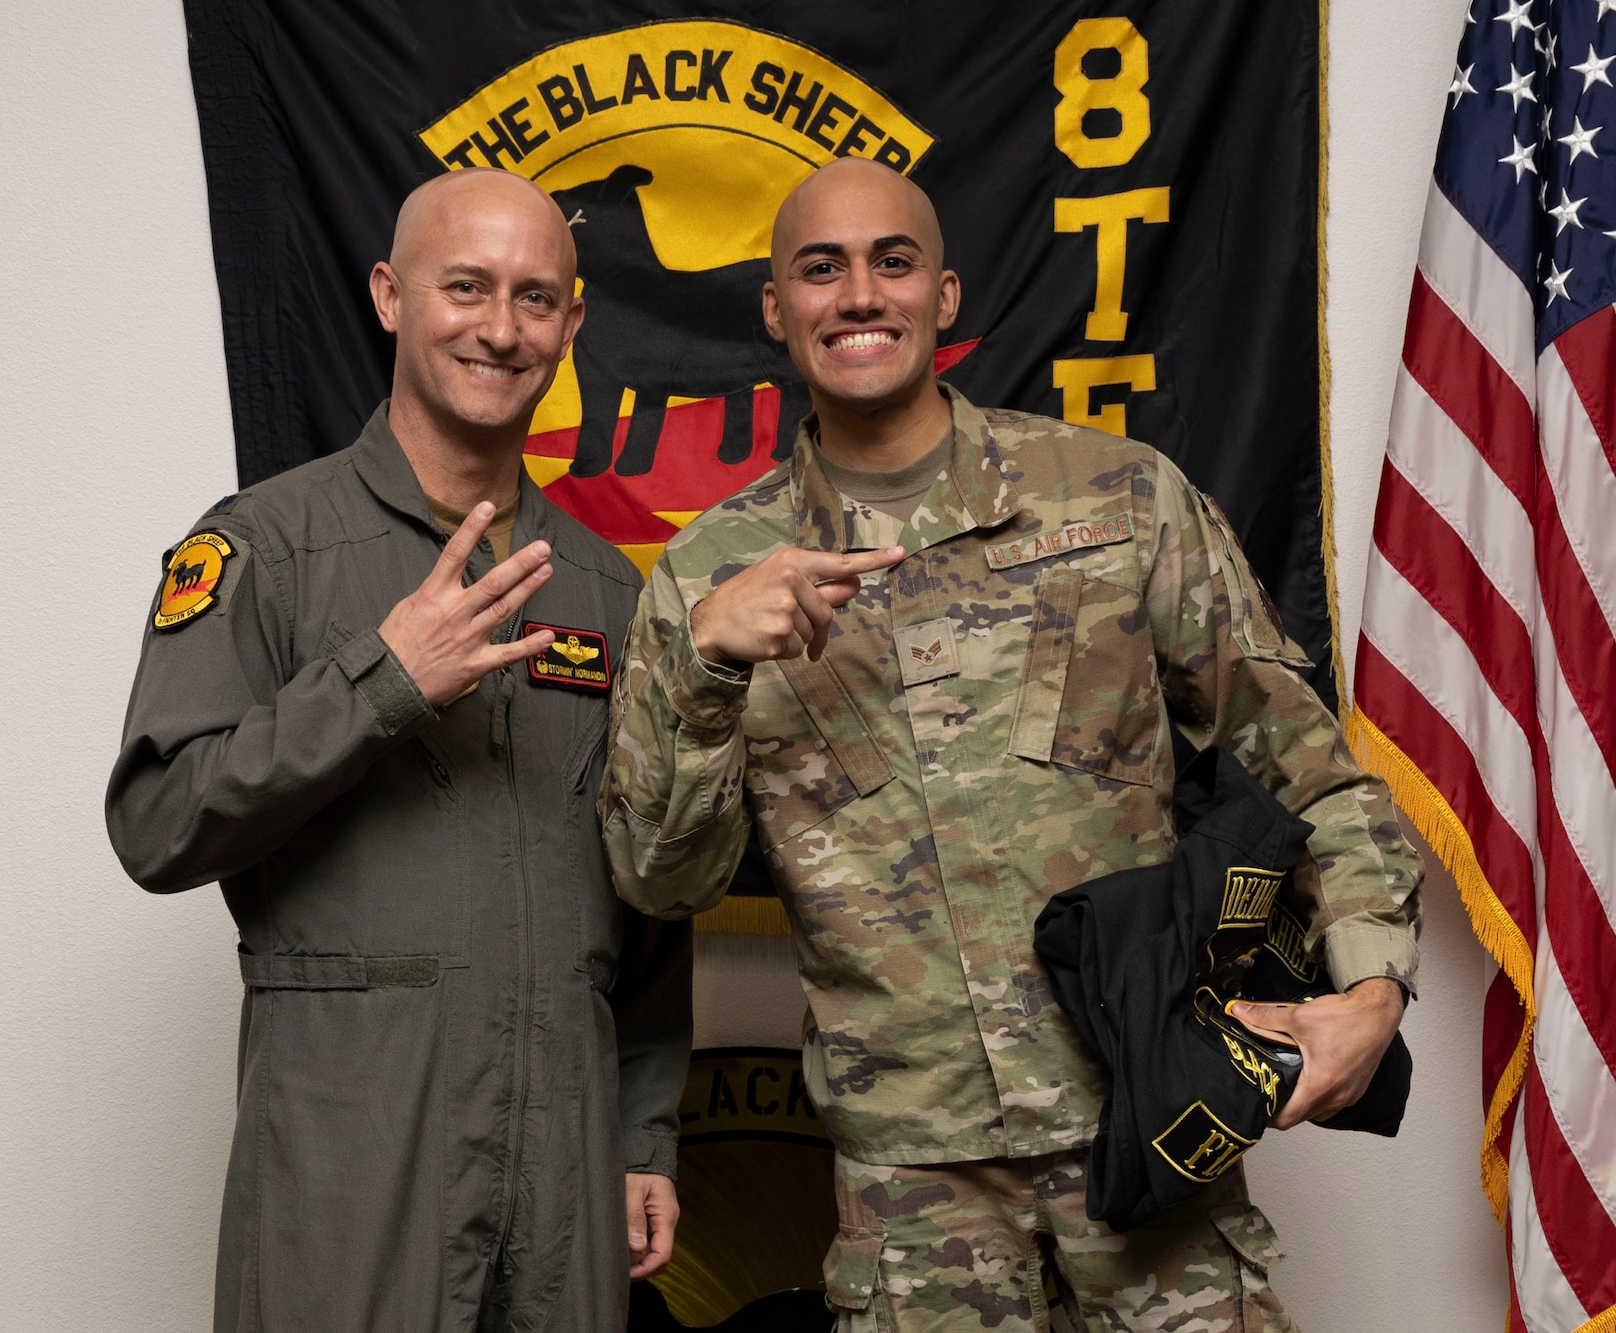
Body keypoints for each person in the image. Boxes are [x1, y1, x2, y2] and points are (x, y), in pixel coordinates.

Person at [599, 158, 1420, 1332]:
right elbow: (657, 881)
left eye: (892, 261)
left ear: (944, 295)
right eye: (818, 268)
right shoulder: (708, 573)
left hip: (1141, 1127)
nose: (858, 294)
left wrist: (1373, 989)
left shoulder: (1120, 500)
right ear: (775, 311)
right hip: (910, 1189)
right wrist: (710, 666)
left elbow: (1304, 765)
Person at [107, 168, 688, 1332]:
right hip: (350, 1142)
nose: (499, 327)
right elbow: (158, 826)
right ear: (388, 295)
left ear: (571, 325)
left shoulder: (603, 588)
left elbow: (645, 891)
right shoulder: (264, 548)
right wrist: (378, 683)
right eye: (463, 286)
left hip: (566, 1162)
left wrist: (640, 1132)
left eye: (534, 298)